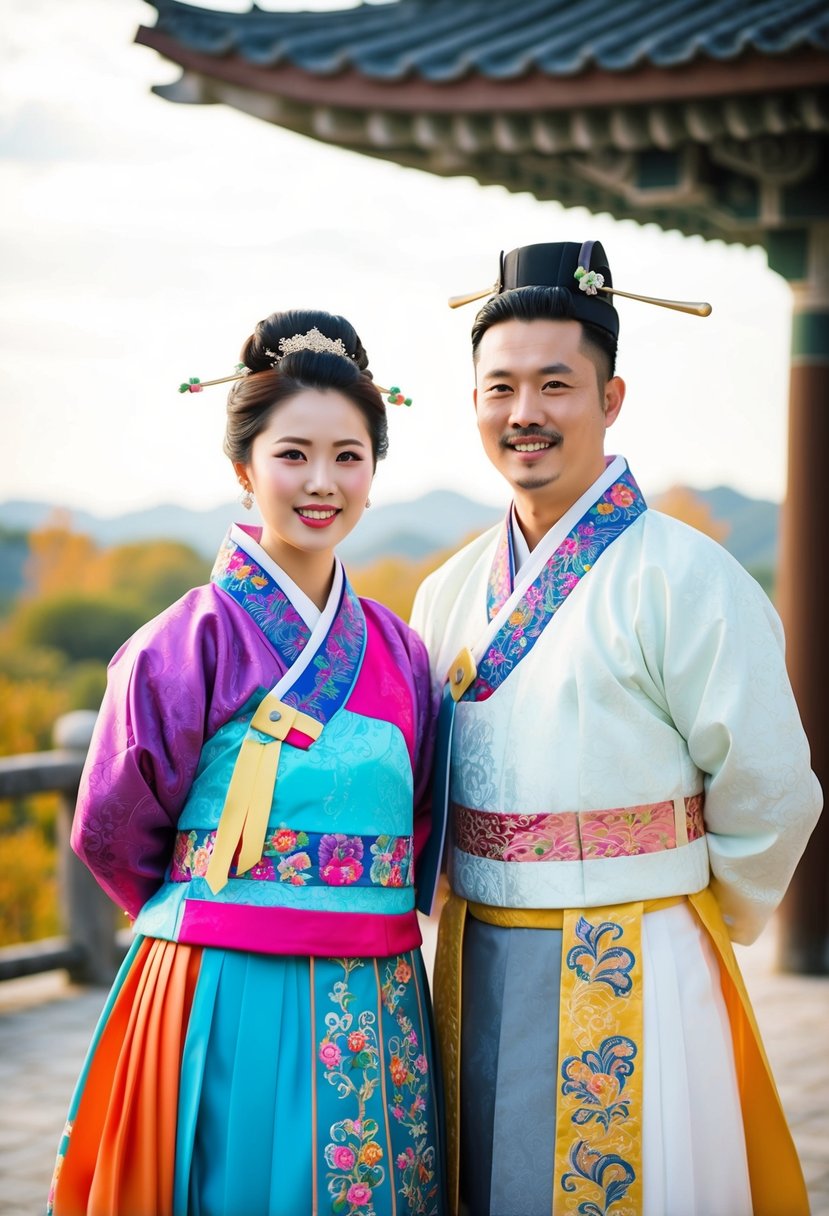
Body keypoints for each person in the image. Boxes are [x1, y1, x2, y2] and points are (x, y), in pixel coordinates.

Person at [409, 241, 822, 1216]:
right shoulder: (447, 591)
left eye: (556, 384)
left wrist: (692, 915)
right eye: (499, 386)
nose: (525, 414)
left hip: (634, 948)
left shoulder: (689, 577)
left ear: (612, 396)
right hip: (471, 946)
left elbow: (771, 789)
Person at [49, 309, 445, 1216]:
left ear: (374, 474)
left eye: (349, 456)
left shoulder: (401, 654)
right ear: (243, 469)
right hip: (219, 977)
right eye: (292, 453)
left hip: (372, 986)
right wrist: (218, 899)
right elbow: (113, 828)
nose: (321, 482)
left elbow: (420, 816)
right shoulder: (180, 645)